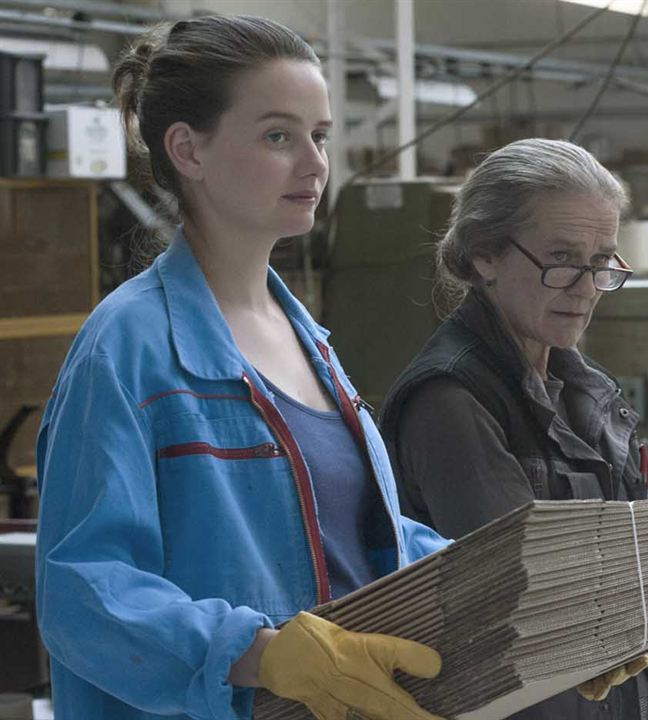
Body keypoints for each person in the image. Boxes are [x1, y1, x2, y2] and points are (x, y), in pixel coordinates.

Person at [35, 16, 455, 720]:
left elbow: (363, 538)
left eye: (319, 135)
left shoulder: (310, 343)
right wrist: (257, 654)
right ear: (188, 150)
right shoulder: (127, 348)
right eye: (278, 136)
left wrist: (523, 604)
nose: (316, 164)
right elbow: (85, 593)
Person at [380, 138, 648, 720]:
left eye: (602, 261)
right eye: (562, 259)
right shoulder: (451, 402)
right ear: (483, 254)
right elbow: (536, 610)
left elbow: (626, 586)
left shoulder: (584, 386)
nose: (584, 286)